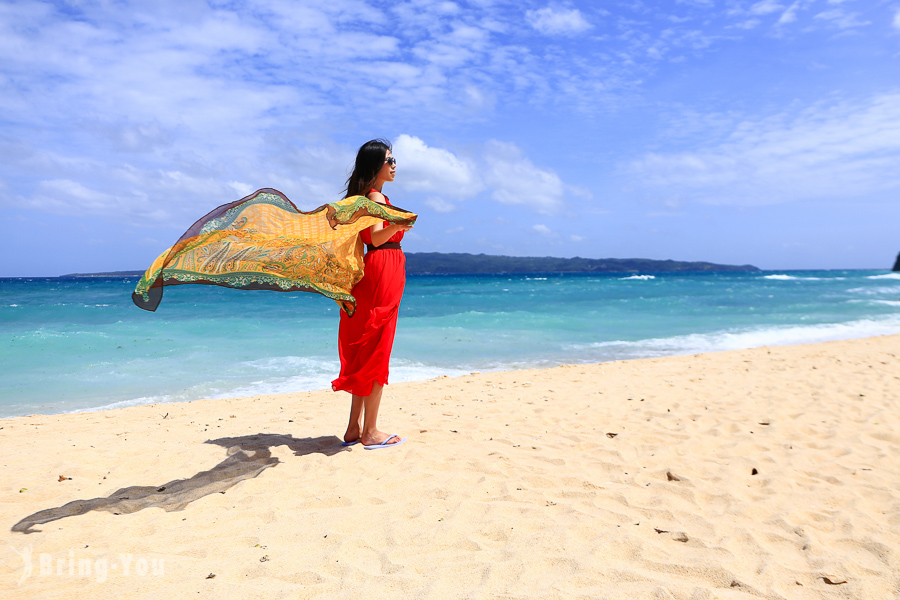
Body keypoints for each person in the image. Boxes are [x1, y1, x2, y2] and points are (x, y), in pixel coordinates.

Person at [331, 139, 413, 449]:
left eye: (394, 160)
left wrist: (393, 221)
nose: (394, 165)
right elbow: (377, 238)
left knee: (369, 347)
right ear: (375, 165)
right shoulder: (376, 196)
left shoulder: (364, 197)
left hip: (376, 268)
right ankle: (370, 432)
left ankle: (354, 428)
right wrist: (399, 221)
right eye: (389, 160)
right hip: (383, 265)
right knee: (378, 347)